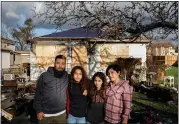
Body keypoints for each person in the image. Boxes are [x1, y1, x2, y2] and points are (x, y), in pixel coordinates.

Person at [33, 55, 69, 124]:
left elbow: (79, 80)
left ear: (65, 65)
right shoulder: (44, 76)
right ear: (54, 63)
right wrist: (38, 110)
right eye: (58, 63)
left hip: (61, 114)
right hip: (45, 115)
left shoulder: (66, 76)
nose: (60, 66)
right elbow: (38, 94)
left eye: (63, 63)